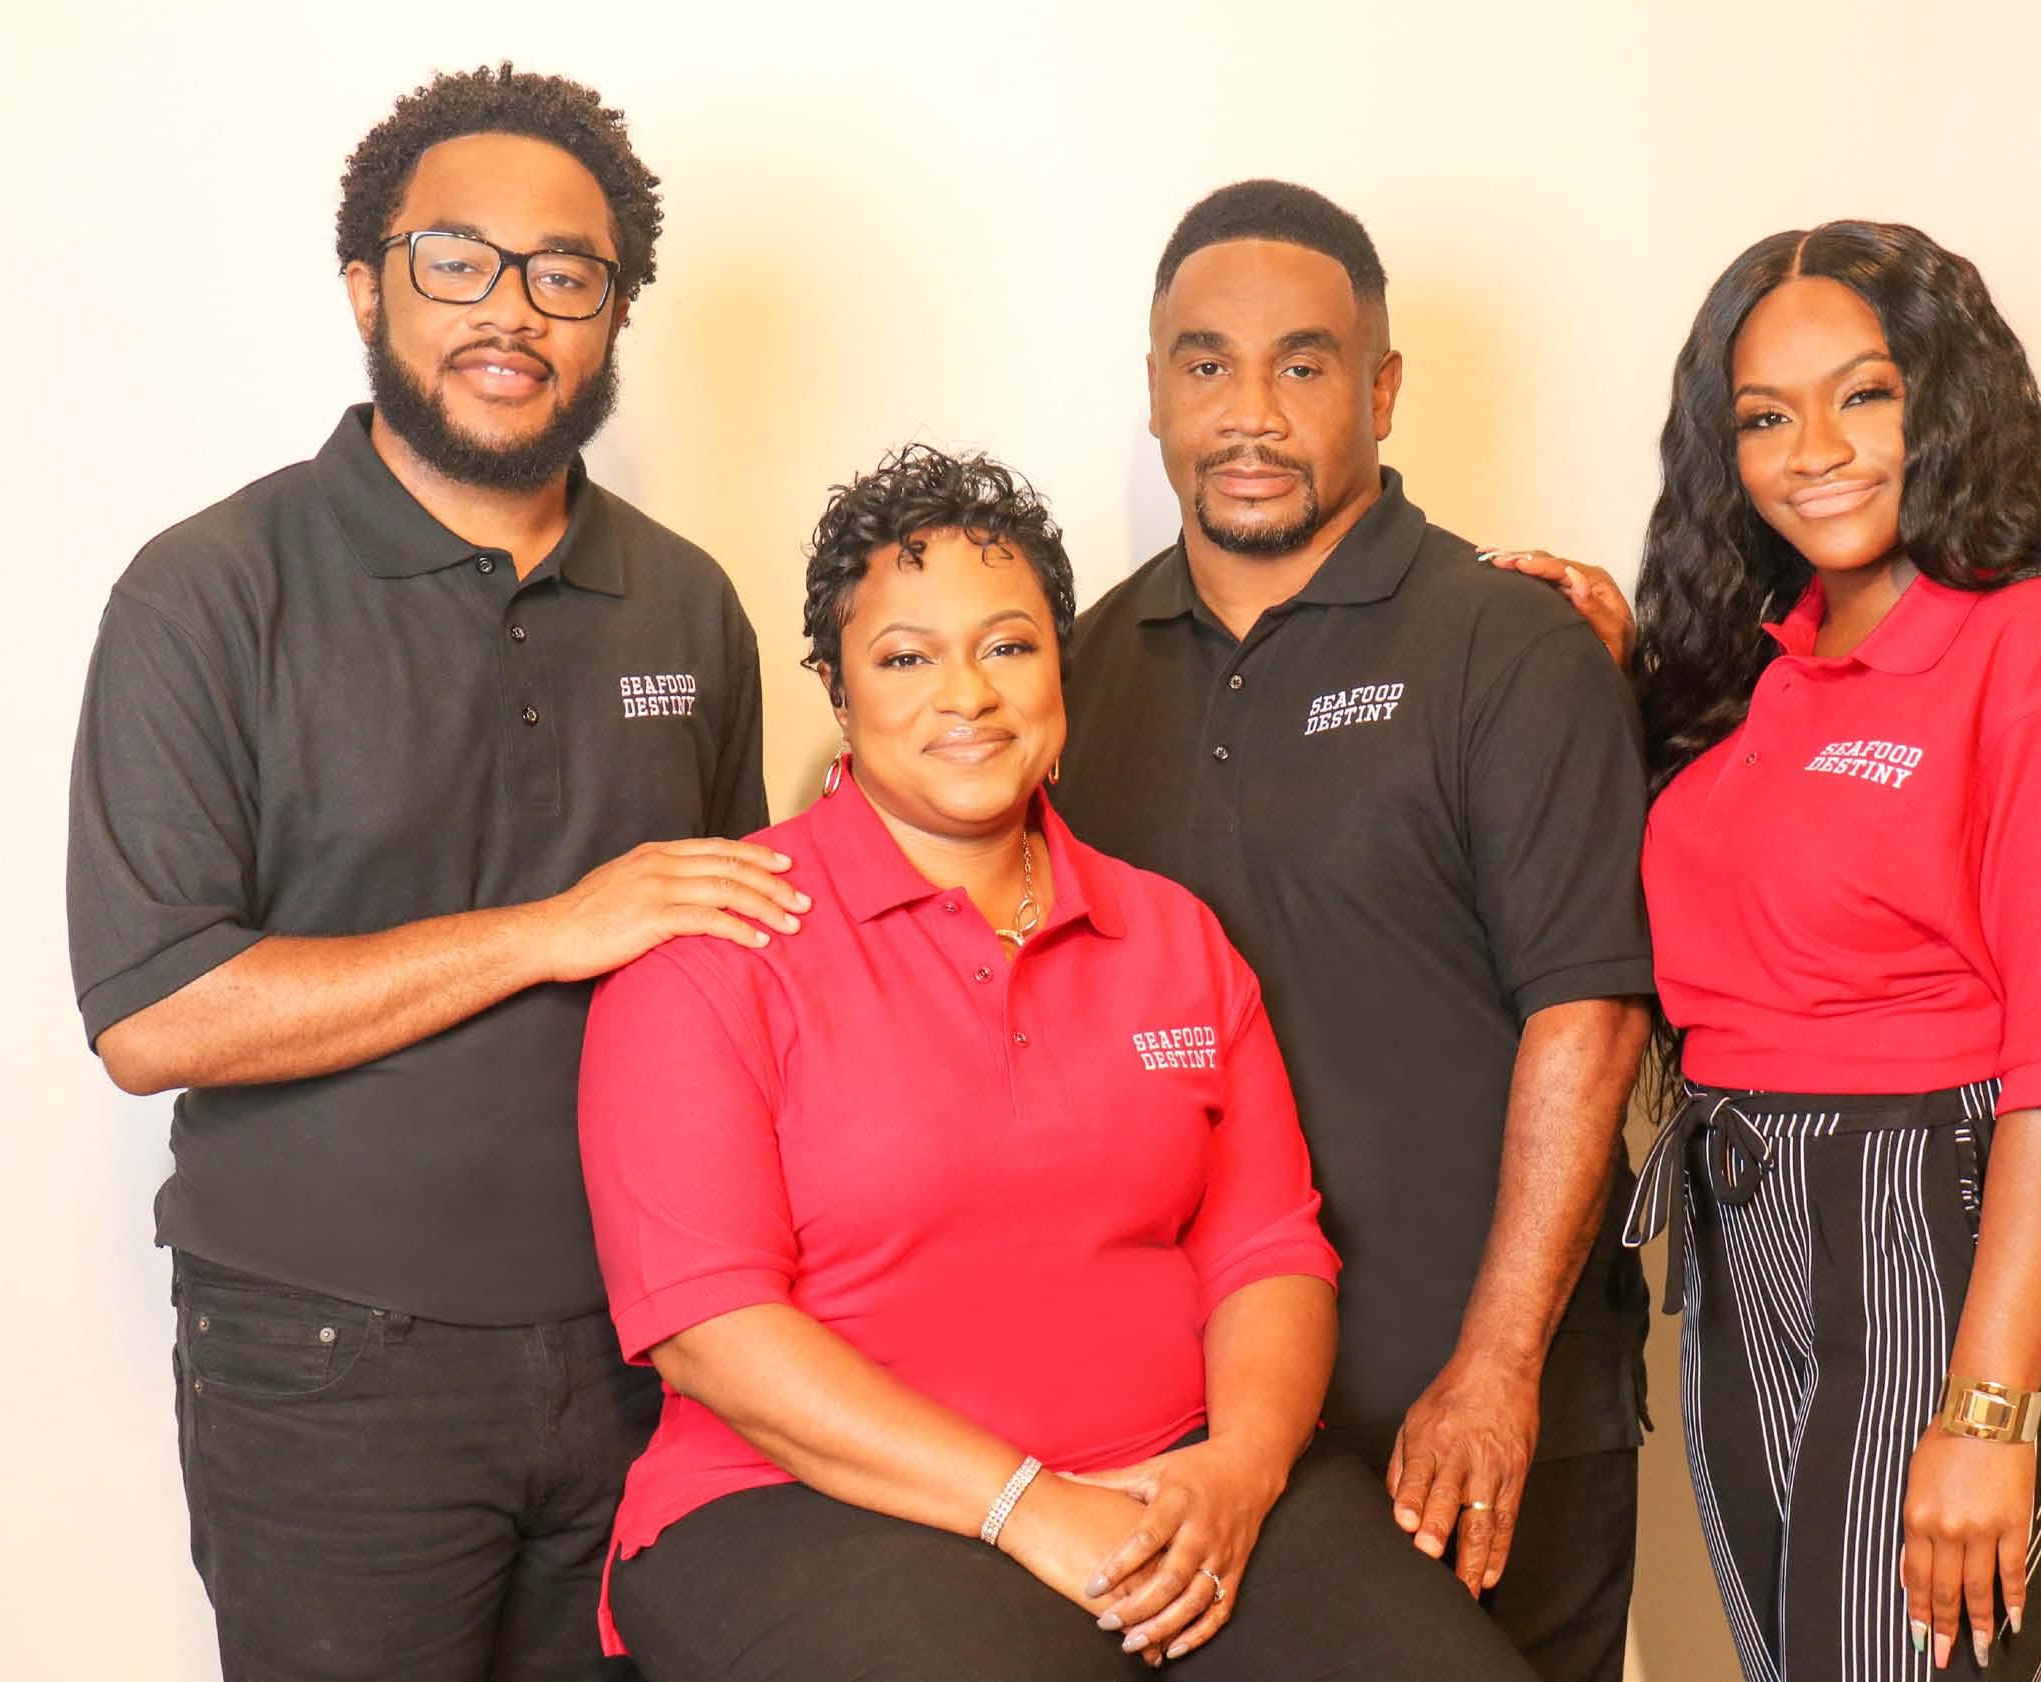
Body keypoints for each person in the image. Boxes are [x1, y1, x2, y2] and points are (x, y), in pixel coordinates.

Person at [575, 443, 1539, 1681]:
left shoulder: (1172, 933)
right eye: (905, 656)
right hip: (798, 1501)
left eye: (1008, 645)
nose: (965, 694)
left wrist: (1240, 1471)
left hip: (1172, 1468)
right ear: (835, 688)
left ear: (1058, 668)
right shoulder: (718, 942)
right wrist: (1024, 1503)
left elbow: (1264, 1249)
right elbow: (710, 1328)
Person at [64, 65, 801, 1681]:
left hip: (654, 1349)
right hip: (328, 1361)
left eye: (566, 273)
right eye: (457, 259)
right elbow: (155, 1016)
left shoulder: (687, 603)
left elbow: (738, 968)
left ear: (614, 315)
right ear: (366, 285)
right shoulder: (210, 591)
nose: (511, 309)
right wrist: (549, 931)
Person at [1055, 179, 1656, 1682]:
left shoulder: (1504, 643)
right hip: (1194, 1440)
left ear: (1380, 392)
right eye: (1206, 363)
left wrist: (1497, 1364)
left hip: (1474, 1411)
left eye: (1303, 364)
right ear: (1152, 389)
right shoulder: (1076, 670)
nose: (1249, 412)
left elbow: (1588, 1014)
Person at [1612, 221, 2041, 1681]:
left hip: (1944, 1232)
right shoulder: (1748, 674)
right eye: (1763, 417)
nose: (1814, 450)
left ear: (1948, 399)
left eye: (1863, 394)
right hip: (1744, 1235)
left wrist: (1987, 1407)